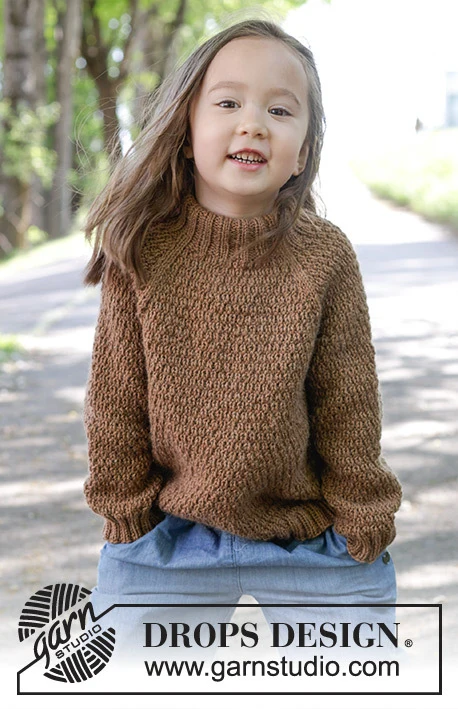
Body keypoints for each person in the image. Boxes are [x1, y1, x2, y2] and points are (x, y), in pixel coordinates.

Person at [81, 18, 403, 666]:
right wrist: (124, 507)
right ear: (187, 130)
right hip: (169, 534)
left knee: (362, 672)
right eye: (228, 103)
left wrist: (362, 507)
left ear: (303, 151)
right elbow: (116, 396)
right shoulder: (144, 250)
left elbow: (347, 400)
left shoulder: (324, 257)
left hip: (304, 532)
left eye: (279, 111)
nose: (253, 124)